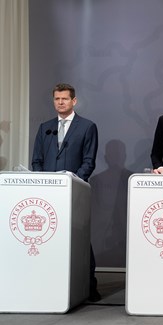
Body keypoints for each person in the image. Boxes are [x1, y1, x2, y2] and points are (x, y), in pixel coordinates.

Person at [31, 83, 100, 301]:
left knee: (78, 237)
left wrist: (74, 182)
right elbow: (37, 161)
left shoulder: (87, 127)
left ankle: (88, 287)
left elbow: (89, 161)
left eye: (64, 99)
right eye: (57, 99)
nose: (60, 102)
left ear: (74, 101)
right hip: (48, 195)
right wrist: (45, 183)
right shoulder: (45, 128)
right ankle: (49, 284)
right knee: (49, 237)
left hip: (74, 192)